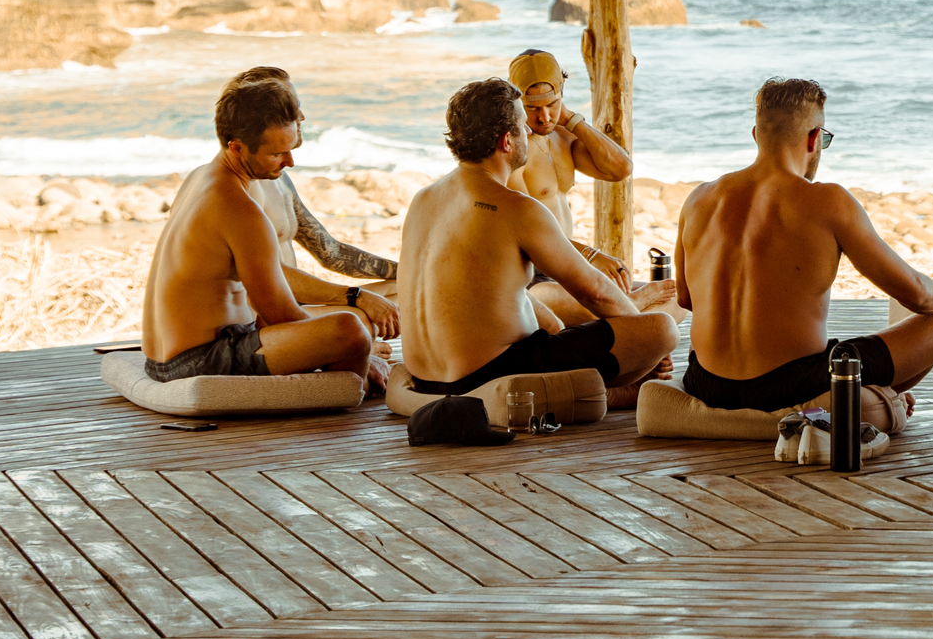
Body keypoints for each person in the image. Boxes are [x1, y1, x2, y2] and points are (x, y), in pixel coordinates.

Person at [673, 78, 933, 430]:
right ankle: (880, 396)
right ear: (814, 138)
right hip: (791, 386)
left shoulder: (699, 199)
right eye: (823, 140)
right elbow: (916, 294)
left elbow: (685, 298)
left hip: (707, 382)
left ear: (756, 135)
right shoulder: (829, 201)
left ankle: (874, 395)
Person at [396, 79, 676, 402]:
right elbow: (595, 292)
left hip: (425, 378)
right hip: (487, 376)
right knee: (663, 329)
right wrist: (648, 348)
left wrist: (556, 327)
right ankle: (608, 394)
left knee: (547, 320)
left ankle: (600, 390)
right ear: (507, 141)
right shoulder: (516, 208)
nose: (529, 132)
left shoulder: (423, 199)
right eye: (521, 126)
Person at [140, 80, 383, 391]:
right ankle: (349, 389)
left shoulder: (200, 177)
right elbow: (280, 314)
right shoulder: (239, 209)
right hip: (196, 362)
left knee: (349, 325)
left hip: (164, 358)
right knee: (350, 329)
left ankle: (350, 372)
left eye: (292, 149)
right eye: (277, 154)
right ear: (237, 148)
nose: (290, 162)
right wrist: (360, 350)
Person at [212, 68, 401, 341]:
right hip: (266, 323)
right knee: (363, 318)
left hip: (300, 308)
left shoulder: (277, 177)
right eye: (289, 107)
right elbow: (265, 279)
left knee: (405, 287)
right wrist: (356, 298)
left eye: (296, 105)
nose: (300, 116)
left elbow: (331, 252)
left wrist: (407, 268)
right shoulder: (240, 189)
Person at [503, 51, 672, 329]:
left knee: (673, 302)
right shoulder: (513, 150)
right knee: (565, 305)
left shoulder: (563, 137)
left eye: (552, 104)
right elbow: (529, 229)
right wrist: (591, 255)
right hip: (534, 274)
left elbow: (620, 169)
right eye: (533, 109)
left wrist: (571, 119)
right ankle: (630, 308)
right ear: (517, 101)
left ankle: (625, 311)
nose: (544, 117)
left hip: (568, 265)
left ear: (562, 94)